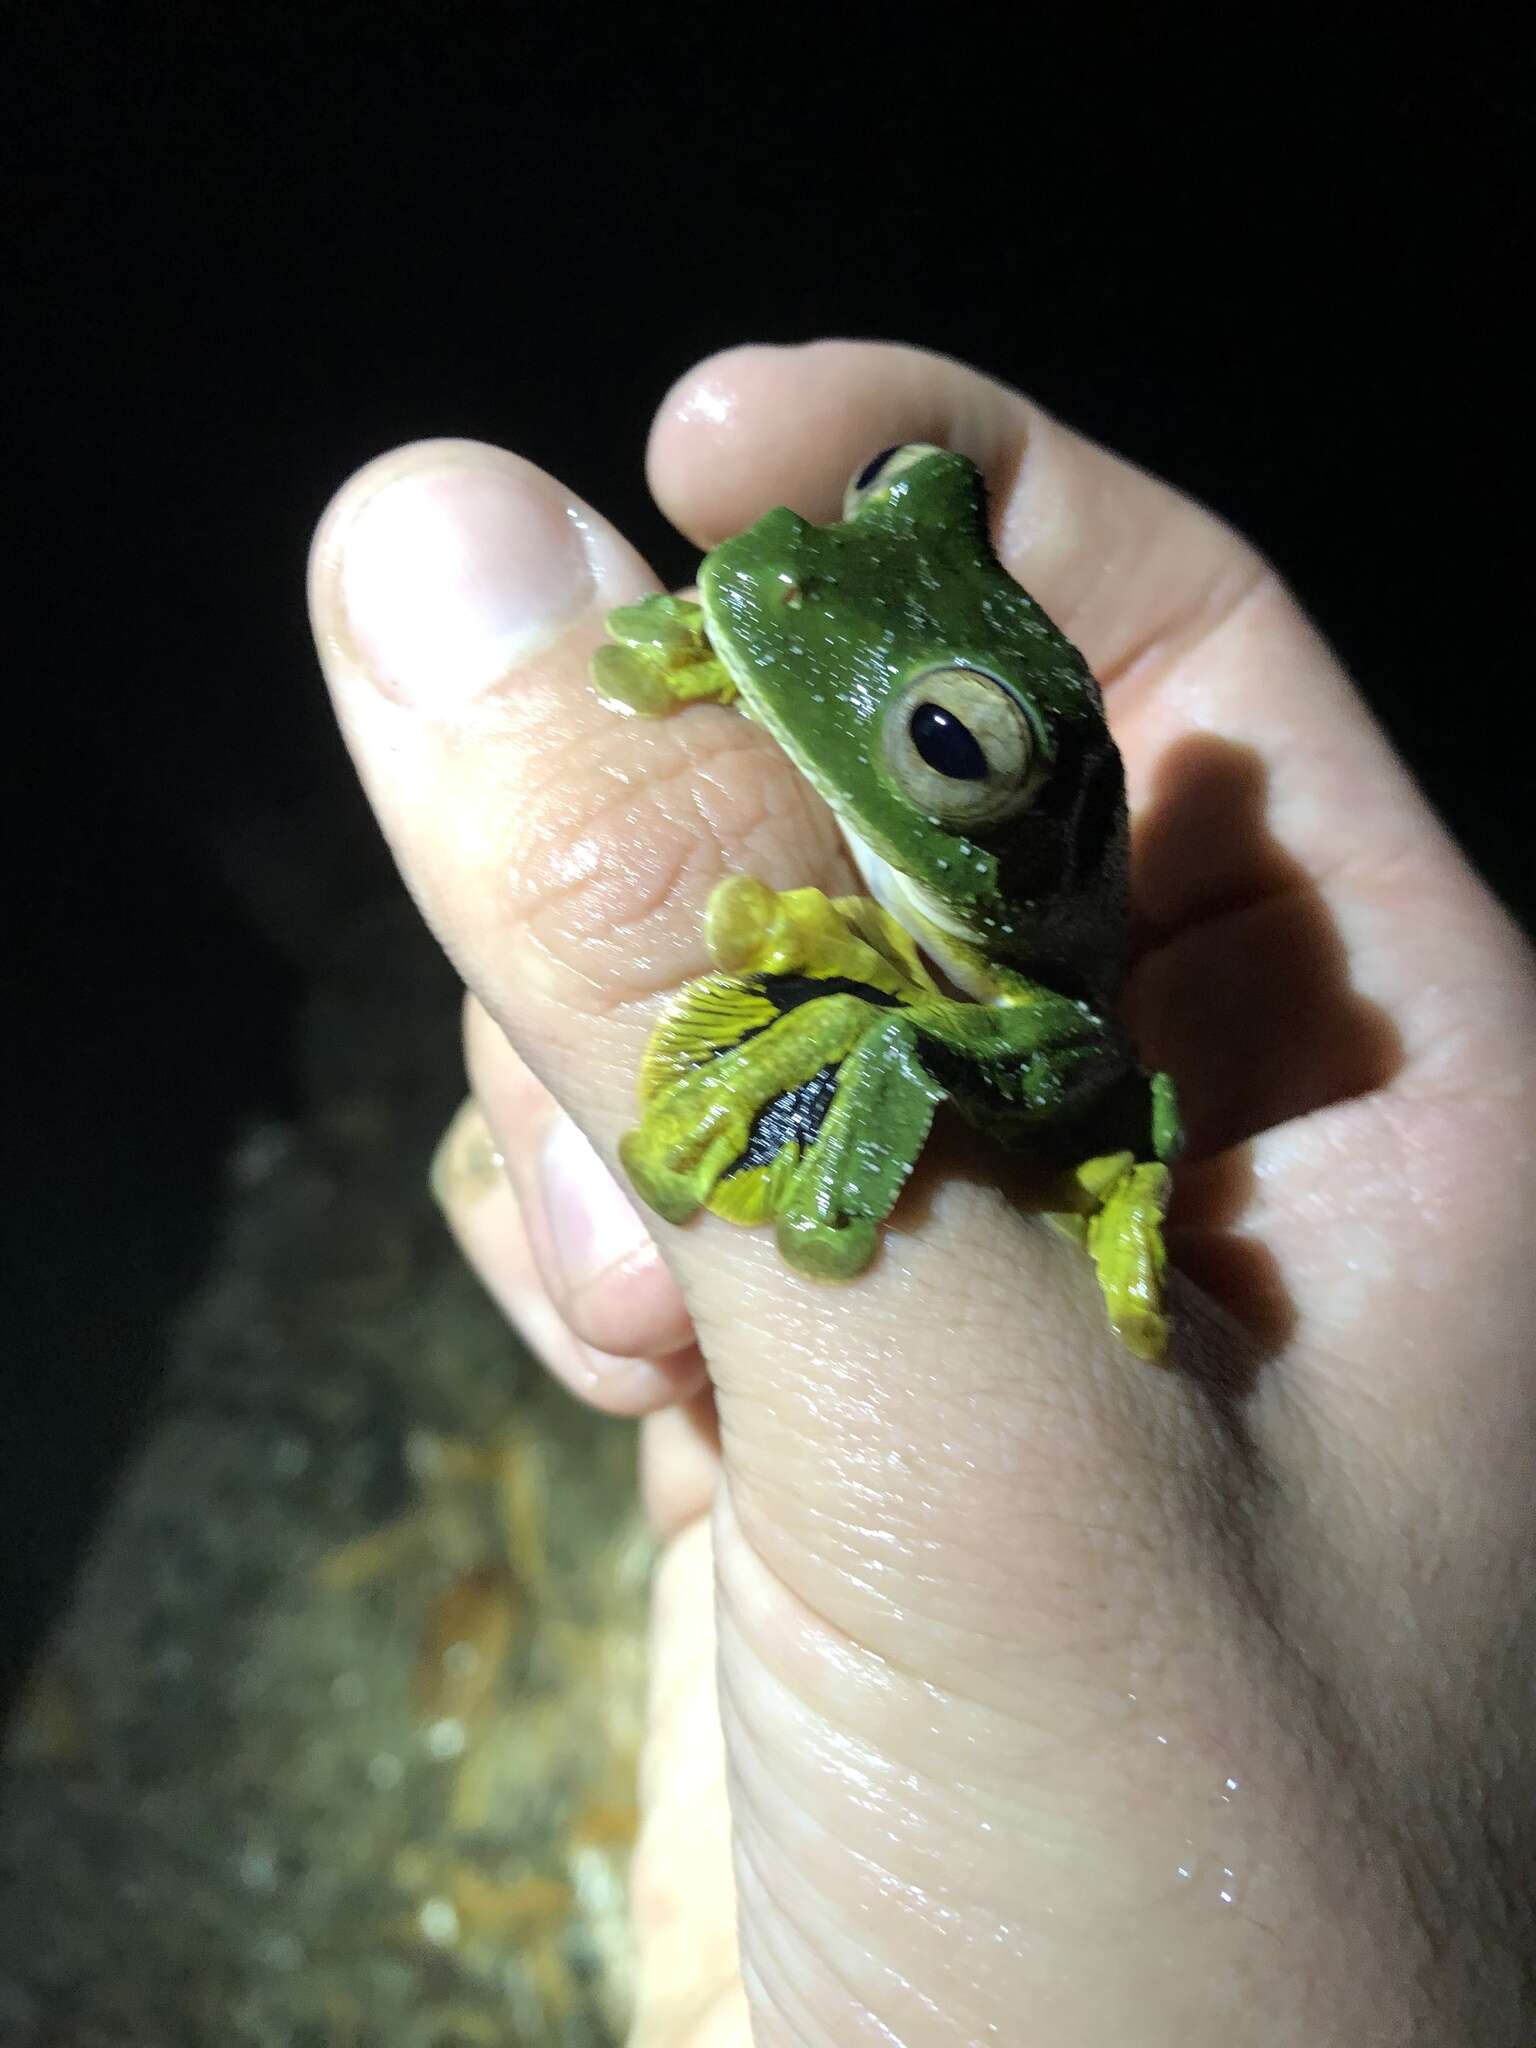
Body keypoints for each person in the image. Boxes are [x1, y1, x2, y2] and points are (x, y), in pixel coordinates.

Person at [309, 342, 1534, 2044]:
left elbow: (1101, 1069)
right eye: (899, 494)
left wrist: (919, 1059)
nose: (780, 561)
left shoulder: (1038, 947)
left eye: (946, 734)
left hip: (1029, 1021)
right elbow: (821, 600)